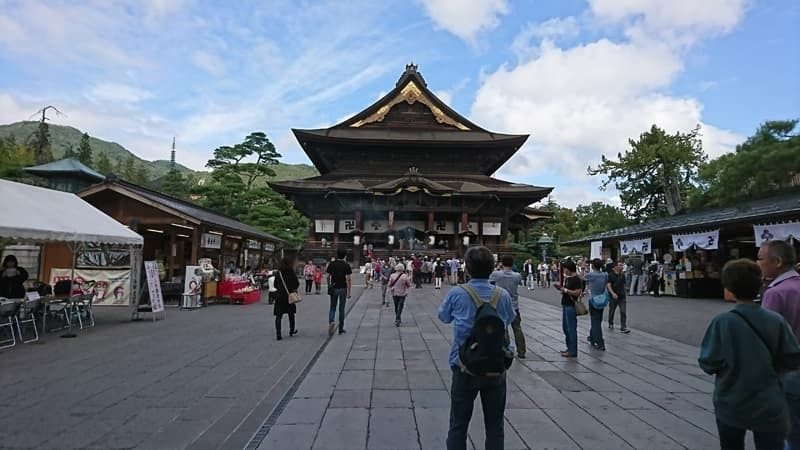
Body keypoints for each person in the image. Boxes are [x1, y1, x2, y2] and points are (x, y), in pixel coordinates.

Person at [699, 258, 800, 450]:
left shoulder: (722, 322)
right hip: (770, 401)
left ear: (728, 288)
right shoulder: (776, 320)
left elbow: (708, 362)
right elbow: (792, 357)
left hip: (731, 400)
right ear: (760, 283)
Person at [438, 246, 515, 450]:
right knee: (495, 426)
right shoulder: (503, 295)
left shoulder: (457, 293)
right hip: (496, 365)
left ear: (468, 268)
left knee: (458, 425)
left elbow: (443, 316)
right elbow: (508, 320)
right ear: (492, 268)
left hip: (464, 365)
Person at [758, 240, 800, 450]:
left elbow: (766, 338)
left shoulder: (776, 293)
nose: (758, 263)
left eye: (761, 259)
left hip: (787, 371)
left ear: (777, 262)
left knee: (789, 432)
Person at [490, 255, 526, 359]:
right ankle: (522, 351)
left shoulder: (496, 274)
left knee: (503, 328)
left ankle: (506, 348)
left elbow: (490, 281)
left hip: (500, 304)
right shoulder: (517, 276)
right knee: (517, 328)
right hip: (514, 304)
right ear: (512, 264)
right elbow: (520, 283)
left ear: (502, 263)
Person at [556, 259, 583, 358]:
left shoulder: (576, 279)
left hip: (571, 306)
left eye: (565, 269)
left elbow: (578, 292)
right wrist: (563, 290)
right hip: (565, 304)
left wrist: (566, 290)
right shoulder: (568, 278)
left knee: (571, 329)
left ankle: (573, 350)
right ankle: (569, 347)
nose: (564, 271)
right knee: (565, 328)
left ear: (569, 268)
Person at [326, 249, 352, 336]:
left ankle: (331, 322)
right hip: (343, 288)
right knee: (341, 308)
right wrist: (349, 291)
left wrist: (329, 285)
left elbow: (328, 276)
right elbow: (348, 279)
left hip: (334, 288)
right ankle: (340, 328)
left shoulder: (332, 264)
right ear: (344, 256)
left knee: (332, 307)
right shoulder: (346, 265)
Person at [273, 257, 300, 341]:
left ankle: (278, 334)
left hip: (280, 296)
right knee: (291, 314)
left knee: (278, 315)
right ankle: (291, 330)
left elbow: (275, 285)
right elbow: (297, 283)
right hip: (290, 296)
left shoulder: (278, 273)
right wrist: (292, 288)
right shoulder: (291, 272)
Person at [584, 258, 608, 351]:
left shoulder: (591, 275)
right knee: (598, 319)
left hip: (593, 299)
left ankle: (599, 341)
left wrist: (583, 269)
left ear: (593, 266)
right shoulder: (604, 275)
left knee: (595, 321)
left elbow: (582, 278)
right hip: (602, 299)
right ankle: (592, 337)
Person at [607, 261, 630, 333]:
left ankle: (623, 326)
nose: (622, 267)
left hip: (622, 296)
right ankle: (610, 322)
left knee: (623, 311)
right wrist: (613, 293)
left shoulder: (622, 275)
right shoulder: (610, 275)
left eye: (622, 265)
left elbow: (623, 284)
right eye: (620, 265)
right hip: (613, 296)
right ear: (614, 268)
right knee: (612, 311)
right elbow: (608, 285)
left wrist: (624, 291)